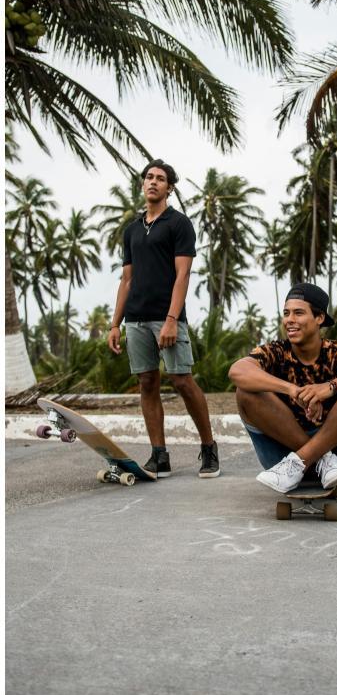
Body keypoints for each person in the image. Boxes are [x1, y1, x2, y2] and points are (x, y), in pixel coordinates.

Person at [107, 159, 220, 479]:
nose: (153, 182)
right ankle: (159, 455)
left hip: (167, 317)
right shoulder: (131, 230)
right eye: (149, 177)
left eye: (160, 178)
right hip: (136, 319)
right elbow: (126, 280)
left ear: (169, 187)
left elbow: (183, 274)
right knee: (146, 382)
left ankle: (209, 448)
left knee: (183, 380)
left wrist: (172, 319)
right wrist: (116, 324)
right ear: (143, 184)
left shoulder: (178, 223)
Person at [229, 283, 337, 493]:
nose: (290, 320)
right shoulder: (276, 351)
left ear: (319, 318)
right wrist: (292, 389)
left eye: (298, 313)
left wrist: (330, 387)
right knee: (246, 391)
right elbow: (237, 371)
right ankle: (321, 459)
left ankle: (311, 458)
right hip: (282, 459)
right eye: (286, 313)